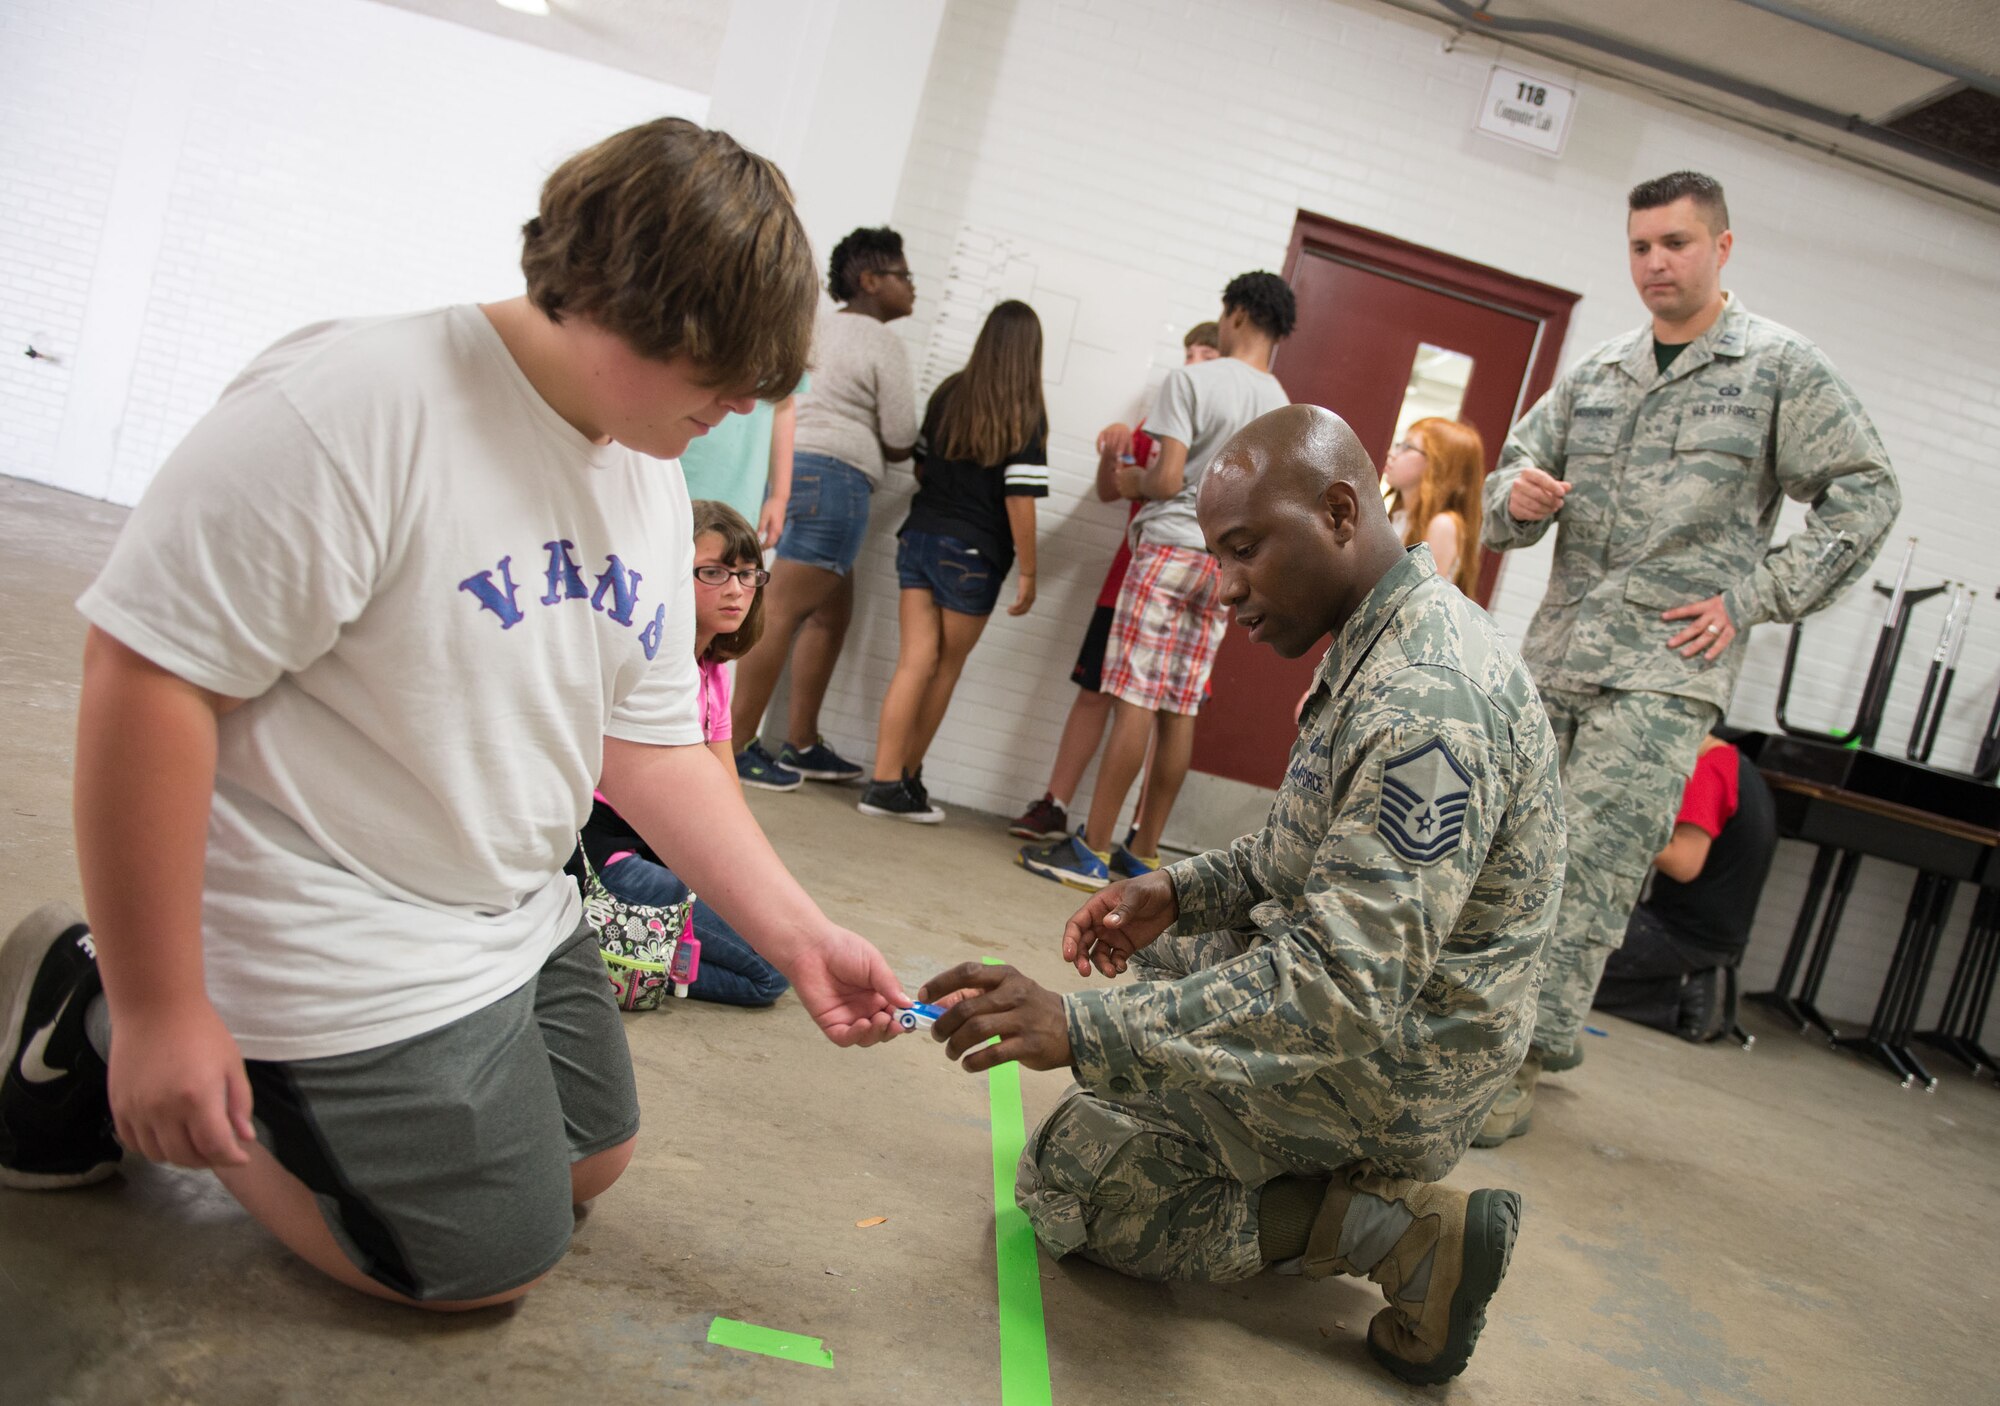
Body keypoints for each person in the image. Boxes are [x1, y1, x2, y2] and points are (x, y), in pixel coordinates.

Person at [0, 121, 910, 1311]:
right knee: (474, 1268)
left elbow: (644, 743)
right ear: (608, 302)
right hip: (324, 911)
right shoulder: (354, 409)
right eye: (718, 371)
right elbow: (148, 675)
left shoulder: (640, 459)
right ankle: (94, 995)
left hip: (504, 904)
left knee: (593, 1159)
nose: (745, 402)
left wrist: (799, 931)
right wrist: (168, 1006)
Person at [918, 405, 1564, 1386]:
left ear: (1339, 513)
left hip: (1402, 1052)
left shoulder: (1429, 696)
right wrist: (1175, 890)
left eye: (1244, 551)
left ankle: (1393, 1228)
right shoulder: (1376, 637)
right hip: (1375, 1000)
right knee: (1140, 995)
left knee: (1077, 1181)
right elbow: (1297, 851)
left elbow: (1341, 987)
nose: (1222, 588)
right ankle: (1308, 1173)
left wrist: (1087, 1030)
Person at [1474, 170, 1899, 1146]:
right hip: (1558, 655)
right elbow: (1504, 482)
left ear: (1720, 247)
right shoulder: (1599, 369)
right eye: (1637, 246)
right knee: (1507, 846)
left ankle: (1517, 1059)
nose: (1653, 263)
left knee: (1586, 864)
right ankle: (1468, 1030)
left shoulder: (1773, 367)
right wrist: (1517, 500)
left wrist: (1753, 599)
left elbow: (1864, 491)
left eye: (1673, 243)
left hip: (1662, 672)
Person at [1018, 276, 1293, 890]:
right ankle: (1142, 854)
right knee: (1180, 704)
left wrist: (1131, 477)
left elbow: (1168, 480)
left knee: (1136, 697)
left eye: (1225, 314)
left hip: (1169, 545)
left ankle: (1091, 849)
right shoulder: (1282, 406)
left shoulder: (1193, 380)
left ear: (1240, 314)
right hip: (1224, 566)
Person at [1009, 322, 1220, 856]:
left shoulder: (1225, 420)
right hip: (1128, 581)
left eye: (1208, 352)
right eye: (1190, 351)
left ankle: (1130, 837)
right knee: (1096, 691)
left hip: (1180, 575)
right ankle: (1057, 803)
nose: (1195, 360)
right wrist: (1116, 449)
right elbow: (1112, 489)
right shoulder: (1161, 418)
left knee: (1166, 709)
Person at [573, 500, 791, 1006]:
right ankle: (608, 957)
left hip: (667, 851)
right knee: (764, 971)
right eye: (713, 573)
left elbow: (727, 800)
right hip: (602, 851)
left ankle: (626, 955)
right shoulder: (636, 660)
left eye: (746, 575)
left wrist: (760, 891)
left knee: (776, 953)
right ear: (670, 574)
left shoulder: (713, 674)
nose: (735, 589)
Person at [730, 227, 918, 791]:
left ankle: (803, 742)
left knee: (832, 613)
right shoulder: (882, 341)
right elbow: (903, 433)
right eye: (903, 276)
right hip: (838, 479)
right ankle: (734, 749)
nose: (913, 288)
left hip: (796, 468)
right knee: (781, 610)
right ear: (869, 281)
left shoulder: (815, 326)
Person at [859, 301, 1049, 823]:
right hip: (974, 554)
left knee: (913, 661)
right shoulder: (1025, 412)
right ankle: (907, 779)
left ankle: (883, 782)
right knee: (944, 668)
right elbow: (1019, 499)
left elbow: (922, 467)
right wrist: (1029, 572)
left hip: (918, 536)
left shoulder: (949, 392)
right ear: (1030, 352)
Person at [1593, 734, 1777, 1042]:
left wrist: (1617, 836)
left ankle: (1684, 998)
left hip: (1679, 933)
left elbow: (1683, 864)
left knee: (1567, 966)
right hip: (1709, 936)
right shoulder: (1740, 767)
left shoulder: (1711, 770)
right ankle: (1683, 990)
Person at [677, 376, 807, 550]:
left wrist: (779, 497)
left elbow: (783, 405)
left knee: (727, 565)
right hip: (682, 467)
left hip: (742, 485)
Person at [1380, 416, 1485, 597]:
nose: (1392, 453)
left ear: (1439, 464)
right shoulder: (1401, 515)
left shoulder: (1443, 525)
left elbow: (1418, 602)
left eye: (1407, 447)